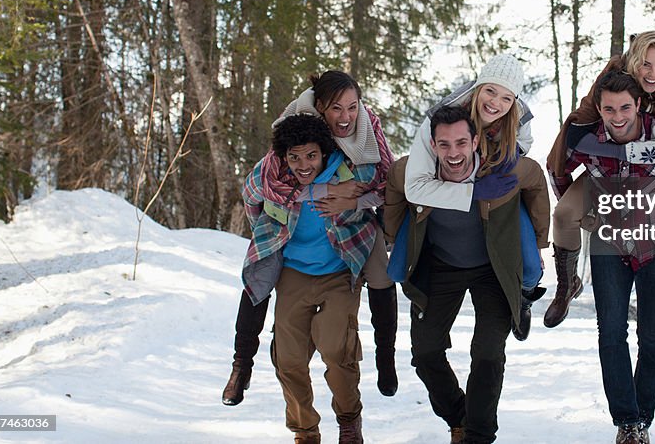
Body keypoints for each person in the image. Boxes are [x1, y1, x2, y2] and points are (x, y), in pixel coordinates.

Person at [223, 71, 398, 407]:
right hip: (285, 223)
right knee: (259, 277)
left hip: (354, 221)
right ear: (320, 109)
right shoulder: (294, 129)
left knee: (380, 273)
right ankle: (241, 364)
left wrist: (352, 201)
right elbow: (260, 188)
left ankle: (386, 356)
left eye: (352, 107)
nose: (346, 117)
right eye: (336, 109)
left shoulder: (367, 126)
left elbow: (385, 183)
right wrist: (318, 194)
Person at [550, 70, 655, 444]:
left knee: (653, 338)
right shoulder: (587, 140)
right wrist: (581, 209)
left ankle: (644, 417)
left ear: (638, 104)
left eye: (624, 107)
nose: (617, 116)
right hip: (610, 244)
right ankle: (627, 423)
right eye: (609, 109)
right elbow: (558, 169)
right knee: (611, 335)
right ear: (599, 109)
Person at [384, 105, 550, 444]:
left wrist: (537, 240)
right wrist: (392, 234)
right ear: (432, 145)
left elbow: (536, 181)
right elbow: (394, 193)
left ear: (475, 141)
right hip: (441, 266)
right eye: (444, 145)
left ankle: (477, 434)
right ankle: (460, 416)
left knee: (488, 352)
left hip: (493, 267)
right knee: (426, 351)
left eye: (461, 143)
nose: (453, 153)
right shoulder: (412, 172)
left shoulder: (503, 168)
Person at [545, 31, 655, 340]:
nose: (652, 74)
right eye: (645, 65)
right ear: (631, 62)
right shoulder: (613, 78)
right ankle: (567, 283)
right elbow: (575, 130)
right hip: (610, 170)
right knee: (564, 214)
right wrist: (619, 152)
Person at [238, 113, 374, 444]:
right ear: (283, 156)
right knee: (288, 358)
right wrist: (267, 231)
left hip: (337, 273)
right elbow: (250, 196)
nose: (303, 164)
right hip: (293, 274)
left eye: (311, 155)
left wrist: (349, 200)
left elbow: (378, 191)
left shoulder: (346, 173)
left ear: (324, 153)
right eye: (294, 157)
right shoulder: (274, 178)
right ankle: (305, 431)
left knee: (336, 347)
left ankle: (348, 419)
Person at [404, 52, 546, 340]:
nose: (496, 103)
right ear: (478, 87)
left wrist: (512, 153)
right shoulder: (441, 118)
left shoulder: (518, 116)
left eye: (507, 98)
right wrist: (473, 191)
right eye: (491, 91)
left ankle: (524, 298)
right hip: (450, 194)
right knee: (403, 265)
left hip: (496, 192)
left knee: (531, 269)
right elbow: (414, 187)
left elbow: (526, 141)